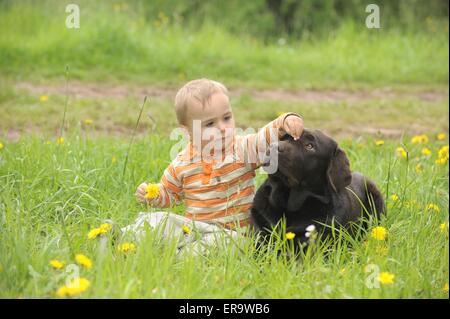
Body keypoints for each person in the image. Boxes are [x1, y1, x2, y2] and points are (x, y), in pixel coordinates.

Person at [121, 78, 304, 255]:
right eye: (210, 124)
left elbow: (263, 138)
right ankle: (123, 237)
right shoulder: (182, 163)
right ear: (187, 131)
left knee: (222, 246)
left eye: (226, 118)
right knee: (160, 220)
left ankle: (179, 257)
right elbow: (170, 195)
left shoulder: (241, 150)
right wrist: (153, 195)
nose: (223, 128)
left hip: (233, 234)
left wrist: (284, 122)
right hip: (194, 228)